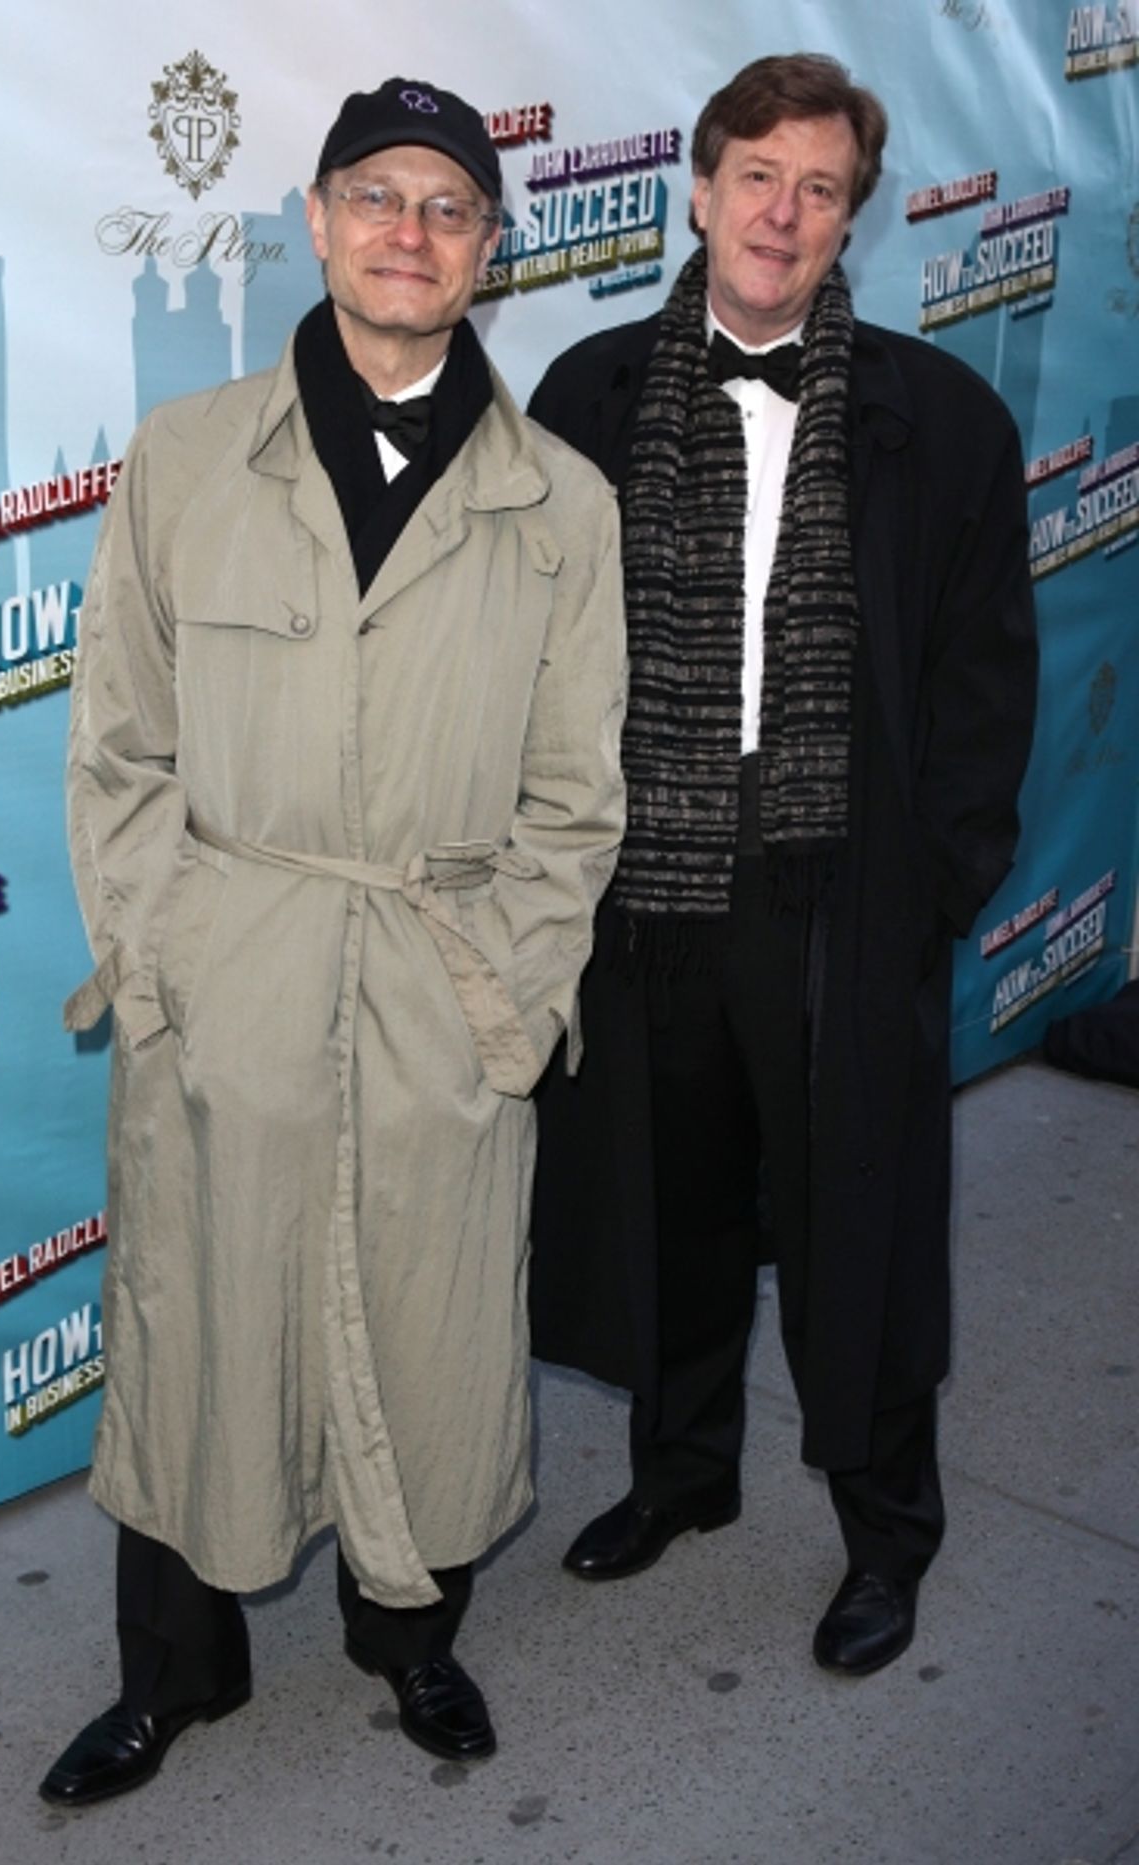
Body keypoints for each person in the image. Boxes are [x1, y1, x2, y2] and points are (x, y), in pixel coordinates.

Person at [41, 76, 625, 1805]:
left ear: (492, 252)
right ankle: (174, 1672)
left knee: (430, 1333)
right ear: (314, 217)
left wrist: (503, 1009)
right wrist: (162, 977)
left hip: (440, 988)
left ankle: (410, 1638)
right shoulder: (185, 458)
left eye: (450, 208)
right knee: (195, 1333)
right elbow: (120, 747)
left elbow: (574, 798)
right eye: (377, 195)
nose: (409, 232)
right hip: (235, 979)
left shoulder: (558, 506)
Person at [528, 52, 1037, 1676]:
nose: (784, 212)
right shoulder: (583, 400)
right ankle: (684, 1476)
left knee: (856, 1226)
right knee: (664, 1198)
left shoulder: (938, 420)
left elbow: (982, 685)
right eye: (760, 173)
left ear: (850, 223)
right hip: (647, 887)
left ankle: (889, 1529)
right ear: (699, 186)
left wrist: (932, 897)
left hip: (840, 887)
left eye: (823, 188)